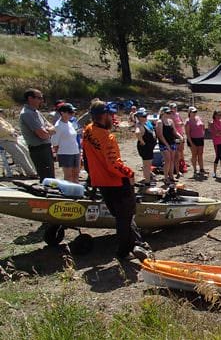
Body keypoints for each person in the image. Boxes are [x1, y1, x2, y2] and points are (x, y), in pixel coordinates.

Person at [82, 100, 149, 260]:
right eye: (111, 114)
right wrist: (130, 174)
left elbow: (85, 157)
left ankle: (137, 243)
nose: (113, 117)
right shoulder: (107, 137)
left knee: (122, 217)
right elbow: (113, 164)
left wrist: (92, 177)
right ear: (104, 115)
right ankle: (124, 252)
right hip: (117, 182)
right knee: (124, 218)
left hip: (101, 182)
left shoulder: (88, 131)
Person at [19, 88, 56, 181]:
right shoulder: (27, 114)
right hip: (39, 149)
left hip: (45, 147)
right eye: (39, 98)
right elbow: (42, 135)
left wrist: (48, 130)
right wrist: (48, 131)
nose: (42, 100)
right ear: (30, 98)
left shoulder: (36, 112)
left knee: (50, 177)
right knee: (47, 178)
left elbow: (52, 127)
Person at [0, 109, 37, 177]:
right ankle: (30, 173)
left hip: (11, 139)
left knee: (26, 151)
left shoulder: (2, 120)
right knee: (20, 154)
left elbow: (10, 128)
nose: (2, 113)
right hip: (3, 140)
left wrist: (13, 131)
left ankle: (35, 170)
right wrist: (12, 131)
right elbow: (2, 131)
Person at [51, 103, 80, 183]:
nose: (72, 114)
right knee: (68, 176)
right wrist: (57, 153)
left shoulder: (70, 123)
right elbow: (54, 142)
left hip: (75, 152)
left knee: (76, 174)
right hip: (65, 153)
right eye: (70, 112)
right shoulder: (58, 126)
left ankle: (76, 191)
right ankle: (69, 192)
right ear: (62, 113)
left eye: (73, 112)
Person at [156, 107, 182, 184]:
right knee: (167, 160)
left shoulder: (171, 121)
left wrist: (180, 136)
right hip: (164, 143)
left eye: (170, 113)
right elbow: (160, 135)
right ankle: (165, 177)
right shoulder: (160, 122)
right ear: (162, 113)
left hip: (172, 142)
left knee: (172, 160)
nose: (169, 114)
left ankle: (171, 176)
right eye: (167, 113)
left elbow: (174, 131)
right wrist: (167, 145)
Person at [134, 108, 156, 185]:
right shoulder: (139, 125)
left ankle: (148, 176)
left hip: (149, 147)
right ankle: (147, 181)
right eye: (143, 116)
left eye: (146, 116)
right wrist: (142, 141)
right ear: (139, 117)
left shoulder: (145, 123)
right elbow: (137, 133)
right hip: (145, 148)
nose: (145, 117)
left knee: (148, 163)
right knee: (147, 165)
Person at [184, 106, 206, 177]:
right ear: (189, 112)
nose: (194, 113)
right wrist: (191, 143)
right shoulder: (188, 121)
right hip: (193, 139)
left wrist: (203, 133)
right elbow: (187, 133)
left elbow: (202, 126)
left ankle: (202, 168)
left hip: (200, 138)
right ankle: (195, 169)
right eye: (193, 112)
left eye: (195, 112)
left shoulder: (198, 118)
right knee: (194, 154)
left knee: (200, 154)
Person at [210, 110, 221, 178]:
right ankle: (214, 172)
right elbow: (216, 134)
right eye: (218, 115)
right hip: (217, 142)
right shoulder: (212, 123)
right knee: (217, 156)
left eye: (220, 115)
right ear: (214, 115)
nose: (219, 116)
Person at [169, 103, 186, 176]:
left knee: (182, 149)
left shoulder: (177, 114)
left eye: (176, 107)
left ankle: (183, 163)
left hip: (181, 133)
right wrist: (177, 124)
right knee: (178, 150)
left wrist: (181, 123)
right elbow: (172, 125)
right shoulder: (170, 116)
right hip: (175, 135)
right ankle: (178, 165)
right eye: (173, 107)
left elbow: (182, 121)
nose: (175, 108)